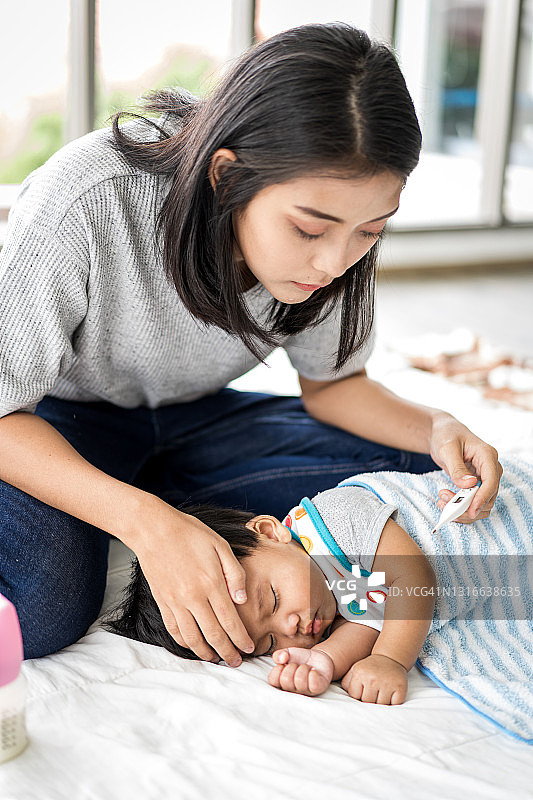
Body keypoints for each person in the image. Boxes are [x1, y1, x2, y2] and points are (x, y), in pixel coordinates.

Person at [0, 23, 501, 666]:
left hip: (200, 419)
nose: (336, 262)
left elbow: (336, 385)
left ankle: (181, 495)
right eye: (307, 230)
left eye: (370, 232)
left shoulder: (337, 244)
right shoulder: (90, 198)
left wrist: (435, 425)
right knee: (39, 614)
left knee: (427, 485)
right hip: (54, 418)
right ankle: (150, 496)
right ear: (227, 176)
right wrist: (146, 522)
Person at [104, 455, 532, 706]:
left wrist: (390, 660)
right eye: (270, 644)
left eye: (271, 600)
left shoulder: (333, 522)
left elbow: (410, 578)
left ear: (271, 533)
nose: (287, 628)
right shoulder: (321, 588)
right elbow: (370, 619)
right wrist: (324, 660)